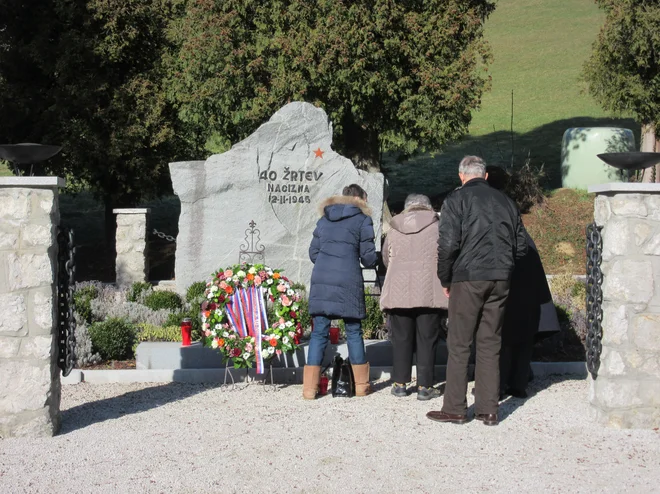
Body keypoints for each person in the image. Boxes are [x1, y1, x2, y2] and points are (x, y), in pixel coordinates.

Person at [426, 156, 527, 426]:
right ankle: (489, 409)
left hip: (468, 277)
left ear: (461, 176)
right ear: (484, 176)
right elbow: (521, 246)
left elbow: (447, 244)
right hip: (501, 277)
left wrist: (445, 278)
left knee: (460, 343)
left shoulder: (456, 200)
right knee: (490, 342)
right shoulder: (507, 202)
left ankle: (455, 407)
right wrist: (504, 269)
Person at [484, 166, 557, 398]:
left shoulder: (496, 225)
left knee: (503, 341)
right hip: (528, 294)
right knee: (523, 341)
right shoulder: (524, 236)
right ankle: (519, 384)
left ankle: (500, 385)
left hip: (508, 290)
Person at [303, 184, 379, 399]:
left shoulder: (324, 218)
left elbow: (313, 253)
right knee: (353, 331)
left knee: (319, 332)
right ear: (358, 198)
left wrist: (328, 264)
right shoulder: (363, 219)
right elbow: (368, 257)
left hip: (322, 278)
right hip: (348, 279)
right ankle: (362, 386)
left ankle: (310, 389)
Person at [380, 193, 448, 400]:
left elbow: (385, 257)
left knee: (400, 338)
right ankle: (425, 387)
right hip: (428, 289)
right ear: (427, 207)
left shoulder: (394, 227)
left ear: (407, 207)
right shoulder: (437, 227)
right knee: (427, 338)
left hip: (399, 290)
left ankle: (400, 384)